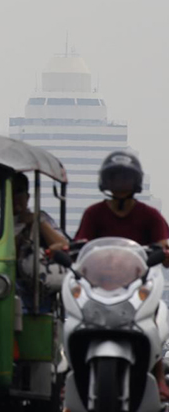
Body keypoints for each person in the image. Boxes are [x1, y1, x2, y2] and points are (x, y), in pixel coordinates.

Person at [74, 150, 169, 401]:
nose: (120, 184)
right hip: (98, 285)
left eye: (125, 178)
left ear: (135, 182)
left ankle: (158, 377)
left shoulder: (150, 215)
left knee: (154, 321)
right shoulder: (93, 213)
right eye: (114, 178)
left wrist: (164, 250)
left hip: (137, 285)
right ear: (105, 181)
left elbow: (163, 243)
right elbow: (80, 246)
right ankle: (71, 374)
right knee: (74, 319)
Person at [12, 173, 68, 313]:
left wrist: (37, 222)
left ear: (28, 197)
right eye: (9, 192)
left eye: (19, 191)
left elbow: (63, 245)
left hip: (38, 290)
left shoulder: (41, 218)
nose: (14, 197)